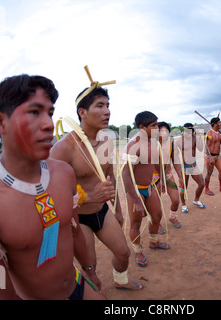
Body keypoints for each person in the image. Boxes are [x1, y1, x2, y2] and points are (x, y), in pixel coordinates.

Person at [0, 74, 104, 300]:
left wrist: (89, 271)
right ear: (0, 122)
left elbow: (74, 230)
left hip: (77, 285)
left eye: (50, 113)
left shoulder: (64, 174)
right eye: (35, 112)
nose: (48, 124)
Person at [50, 83, 143, 290]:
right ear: (82, 112)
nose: (107, 111)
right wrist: (91, 197)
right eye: (99, 106)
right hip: (78, 218)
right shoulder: (63, 149)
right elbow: (53, 197)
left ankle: (120, 281)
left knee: (123, 253)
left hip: (102, 211)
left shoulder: (106, 140)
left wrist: (117, 208)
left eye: (108, 105)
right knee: (90, 267)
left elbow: (110, 176)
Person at [121, 111, 170, 268]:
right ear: (142, 127)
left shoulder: (153, 143)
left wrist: (161, 179)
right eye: (153, 125)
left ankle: (154, 242)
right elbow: (125, 174)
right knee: (136, 223)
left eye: (157, 124)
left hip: (150, 186)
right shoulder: (133, 146)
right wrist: (136, 199)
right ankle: (138, 251)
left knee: (157, 216)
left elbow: (156, 163)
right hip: (136, 190)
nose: (157, 128)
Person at [173, 123, 206, 213]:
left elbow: (200, 148)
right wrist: (180, 169)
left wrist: (199, 138)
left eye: (190, 132)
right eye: (186, 132)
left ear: (192, 132)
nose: (187, 134)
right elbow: (175, 156)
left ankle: (196, 200)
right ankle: (183, 205)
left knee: (202, 184)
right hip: (183, 166)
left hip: (193, 165)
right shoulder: (178, 141)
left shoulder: (195, 138)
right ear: (183, 131)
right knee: (184, 187)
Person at [154, 121, 182, 229]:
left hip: (167, 174)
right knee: (156, 203)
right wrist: (160, 180)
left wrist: (180, 176)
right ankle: (156, 223)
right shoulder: (152, 144)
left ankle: (172, 217)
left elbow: (175, 161)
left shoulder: (171, 143)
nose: (164, 133)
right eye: (161, 131)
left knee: (175, 200)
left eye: (166, 130)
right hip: (155, 176)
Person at [204, 117, 221, 195]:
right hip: (210, 156)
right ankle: (206, 188)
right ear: (215, 124)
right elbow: (206, 146)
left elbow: (219, 143)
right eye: (219, 122)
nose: (220, 124)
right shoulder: (209, 133)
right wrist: (209, 156)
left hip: (217, 156)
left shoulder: (219, 133)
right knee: (209, 173)